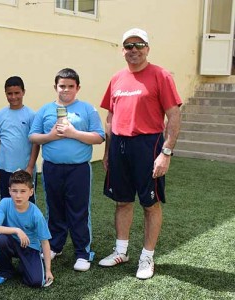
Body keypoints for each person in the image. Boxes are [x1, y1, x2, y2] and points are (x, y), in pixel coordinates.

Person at [98, 28, 182, 280]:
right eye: (128, 45)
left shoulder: (161, 75)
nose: (133, 50)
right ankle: (121, 251)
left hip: (148, 145)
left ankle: (147, 256)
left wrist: (165, 152)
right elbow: (110, 117)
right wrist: (107, 152)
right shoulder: (116, 78)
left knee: (150, 203)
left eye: (139, 45)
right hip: (119, 146)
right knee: (122, 200)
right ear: (122, 50)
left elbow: (174, 115)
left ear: (147, 48)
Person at [29, 68, 104, 272]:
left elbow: (99, 136)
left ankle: (82, 253)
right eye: (62, 86)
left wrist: (73, 133)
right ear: (55, 87)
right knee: (54, 208)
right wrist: (51, 137)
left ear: (77, 88)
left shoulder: (87, 109)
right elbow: (33, 137)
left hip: (78, 169)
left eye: (71, 86)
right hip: (52, 168)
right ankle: (55, 245)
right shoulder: (45, 110)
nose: (66, 90)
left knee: (78, 210)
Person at [0, 170, 53, 287]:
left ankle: (23, 266)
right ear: (9, 190)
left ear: (31, 192)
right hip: (12, 242)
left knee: (36, 282)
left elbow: (45, 242)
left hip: (30, 247)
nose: (18, 195)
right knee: (1, 239)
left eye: (23, 191)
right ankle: (4, 271)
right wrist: (17, 230)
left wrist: (48, 270)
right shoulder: (5, 203)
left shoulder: (36, 215)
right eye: (14, 191)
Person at [0, 76, 40, 201]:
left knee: (26, 202)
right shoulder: (1, 114)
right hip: (4, 168)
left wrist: (30, 167)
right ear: (5, 94)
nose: (13, 97)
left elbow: (35, 144)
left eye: (17, 93)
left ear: (23, 92)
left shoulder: (31, 115)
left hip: (24, 169)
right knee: (6, 200)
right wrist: (1, 162)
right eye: (10, 93)